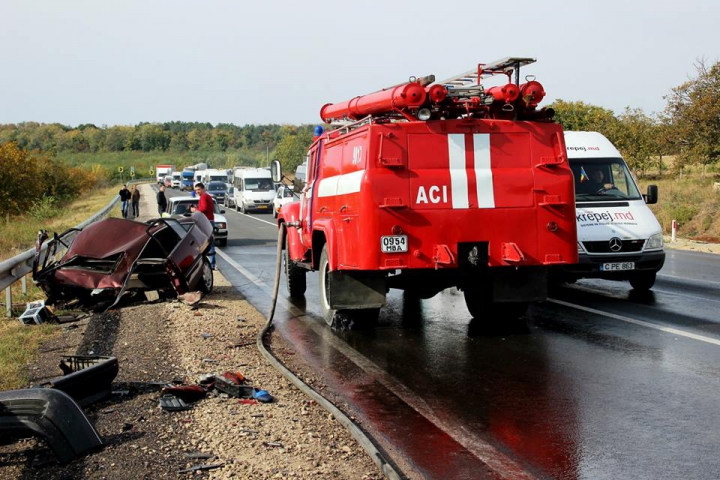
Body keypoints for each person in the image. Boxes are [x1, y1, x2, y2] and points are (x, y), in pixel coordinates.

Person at [195, 183, 216, 269]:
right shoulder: (207, 196)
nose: (197, 191)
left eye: (199, 189)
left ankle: (210, 263)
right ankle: (211, 263)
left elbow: (203, 208)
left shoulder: (203, 196)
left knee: (207, 243)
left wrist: (195, 210)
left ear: (203, 189)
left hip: (206, 221)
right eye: (196, 190)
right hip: (210, 220)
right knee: (209, 242)